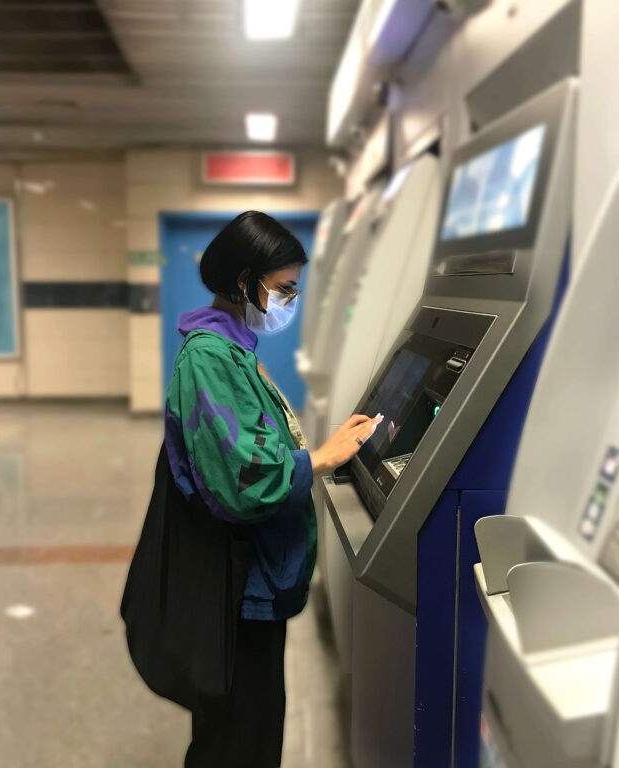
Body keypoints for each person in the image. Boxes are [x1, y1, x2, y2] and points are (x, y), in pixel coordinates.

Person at [163, 210, 382, 767]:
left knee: (254, 723)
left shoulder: (233, 349)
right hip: (237, 584)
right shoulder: (211, 358)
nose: (290, 301)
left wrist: (322, 448)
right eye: (284, 289)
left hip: (253, 578)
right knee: (239, 736)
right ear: (244, 283)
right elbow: (246, 481)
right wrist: (322, 458)